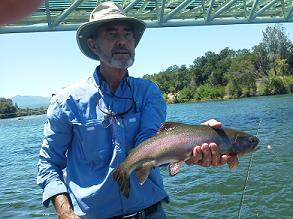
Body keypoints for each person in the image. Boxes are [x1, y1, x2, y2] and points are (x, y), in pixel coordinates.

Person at [37, 2, 238, 219]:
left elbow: (151, 142)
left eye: (128, 34)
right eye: (111, 33)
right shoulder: (66, 101)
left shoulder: (149, 93)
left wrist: (193, 142)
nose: (122, 40)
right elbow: (49, 164)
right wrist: (65, 213)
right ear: (93, 45)